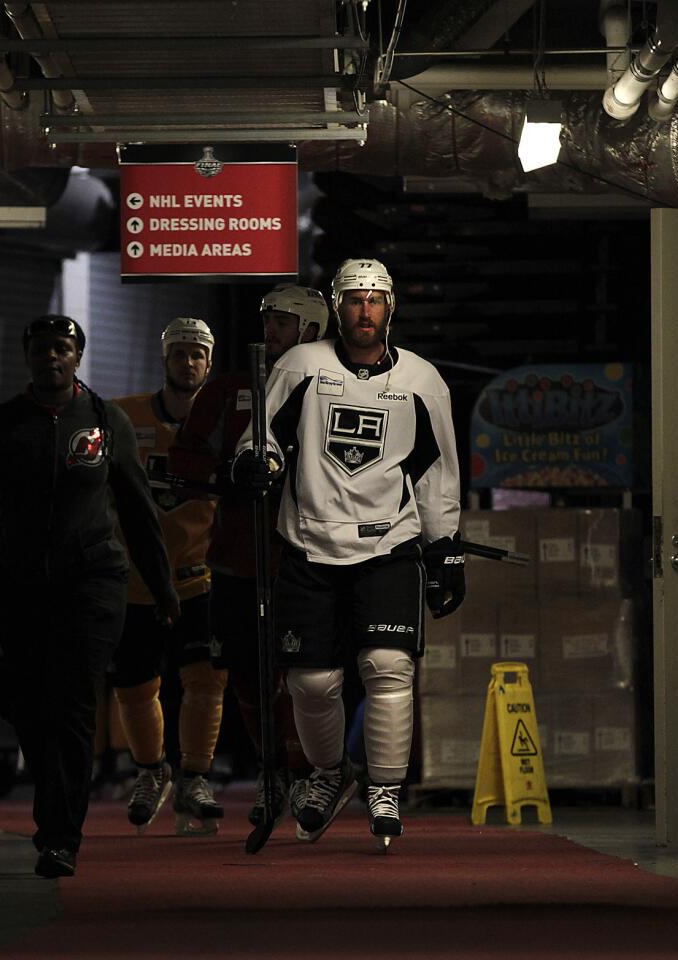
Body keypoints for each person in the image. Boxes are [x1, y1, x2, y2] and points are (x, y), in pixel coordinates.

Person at [232, 259, 466, 845]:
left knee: (387, 668)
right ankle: (330, 772)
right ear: (337, 308)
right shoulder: (298, 366)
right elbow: (257, 438)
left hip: (389, 543)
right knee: (311, 683)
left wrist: (445, 549)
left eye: (375, 300)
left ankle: (384, 788)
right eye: (354, 299)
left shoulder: (421, 380)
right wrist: (255, 463)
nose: (365, 310)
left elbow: (438, 472)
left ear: (391, 308)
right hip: (309, 543)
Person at [0, 314, 178, 879]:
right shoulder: (3, 424)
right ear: (29, 357)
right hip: (22, 587)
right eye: (42, 349)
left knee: (73, 706)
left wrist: (163, 586)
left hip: (92, 584)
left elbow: (139, 512)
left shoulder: (104, 421)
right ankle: (54, 806)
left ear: (77, 358)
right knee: (26, 703)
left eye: (62, 349)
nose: (52, 357)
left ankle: (59, 837)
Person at [169, 284, 328, 829]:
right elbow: (186, 458)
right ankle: (274, 773)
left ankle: (309, 774)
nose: (271, 330)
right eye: (268, 319)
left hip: (308, 558)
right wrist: (225, 475)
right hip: (238, 557)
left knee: (302, 673)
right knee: (245, 674)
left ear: (311, 329)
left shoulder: (331, 387)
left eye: (283, 321)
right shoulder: (231, 389)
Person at [111, 317, 225, 836]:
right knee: (135, 685)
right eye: (180, 353)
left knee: (205, 679)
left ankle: (195, 777)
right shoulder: (123, 416)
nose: (189, 362)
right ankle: (152, 769)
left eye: (197, 353)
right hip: (136, 577)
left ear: (209, 361)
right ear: (165, 360)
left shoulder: (224, 423)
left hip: (198, 575)